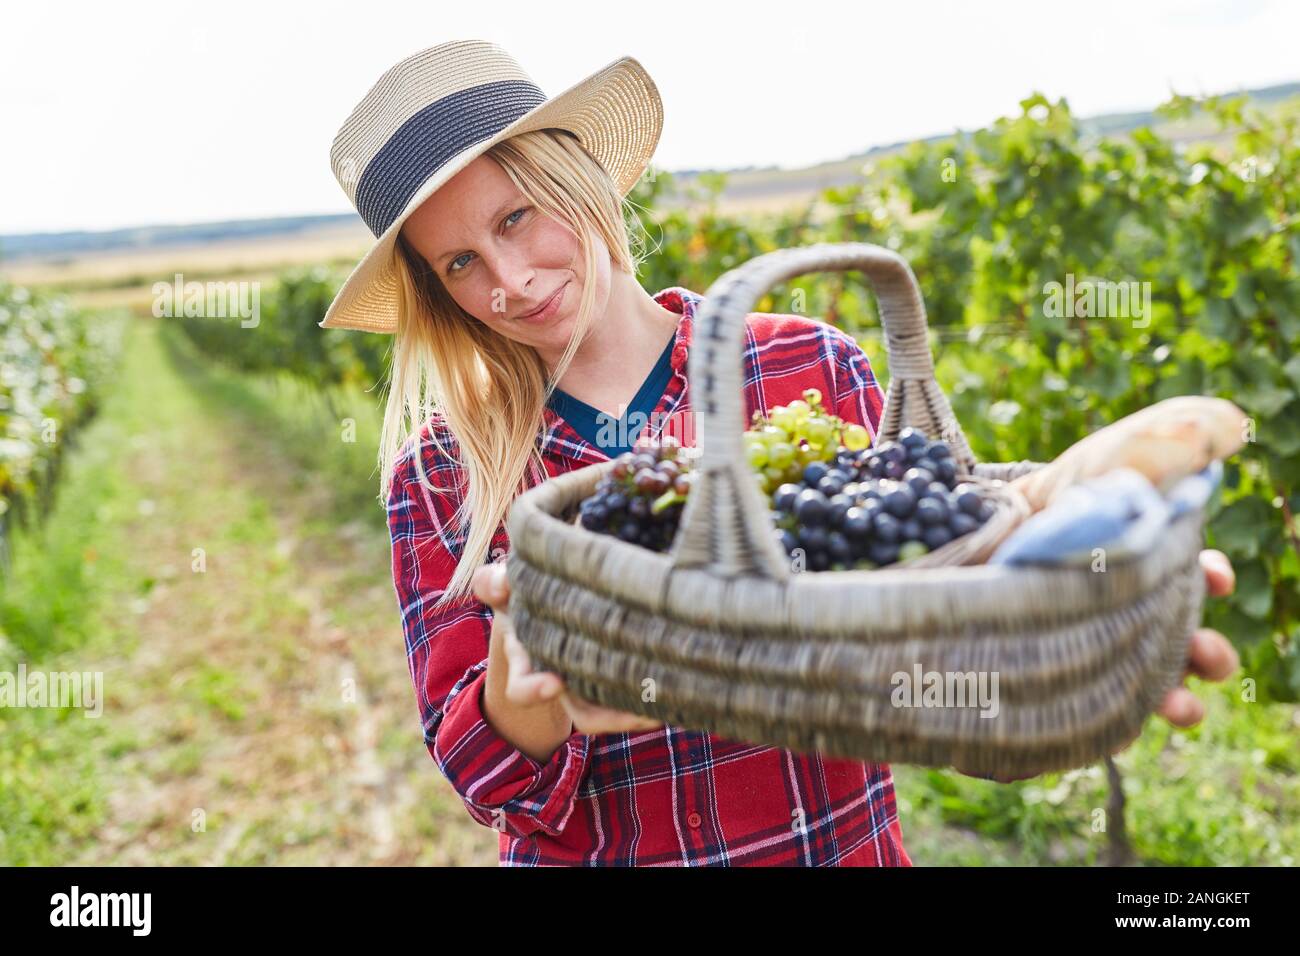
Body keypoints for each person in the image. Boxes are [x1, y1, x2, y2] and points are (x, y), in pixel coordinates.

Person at [320, 41, 1241, 866]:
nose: (509, 282)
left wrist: (1083, 651)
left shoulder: (806, 365)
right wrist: (533, 685)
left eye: (516, 218)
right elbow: (491, 790)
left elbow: (932, 646)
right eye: (460, 263)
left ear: (580, 177)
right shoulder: (441, 473)